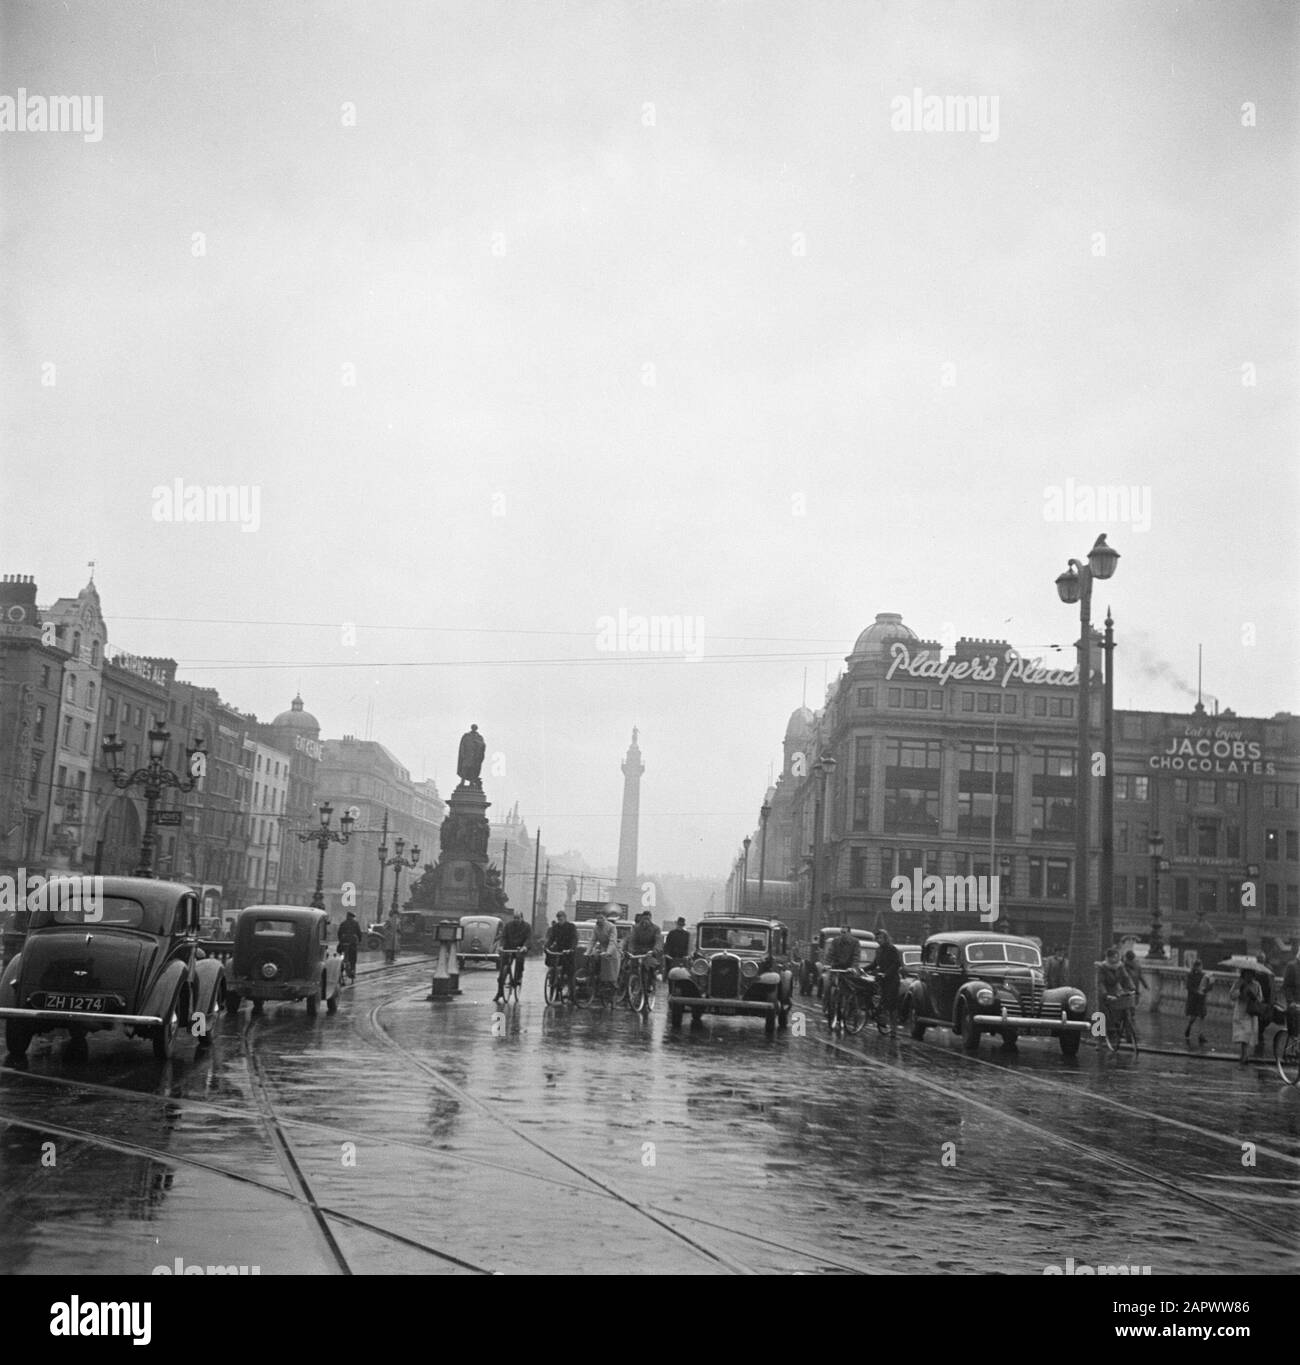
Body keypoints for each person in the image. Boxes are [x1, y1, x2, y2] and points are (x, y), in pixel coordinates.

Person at [824, 927, 861, 1031]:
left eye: (844, 932)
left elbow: (856, 956)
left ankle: (851, 1012)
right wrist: (827, 964)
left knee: (850, 991)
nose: (842, 934)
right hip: (837, 968)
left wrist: (853, 967)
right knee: (828, 986)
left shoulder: (855, 942)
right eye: (841, 932)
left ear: (849, 933)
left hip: (848, 969)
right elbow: (830, 953)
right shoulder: (836, 941)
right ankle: (828, 1007)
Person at [1096, 946, 1135, 1040]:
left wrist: (1132, 987)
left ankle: (1125, 1030)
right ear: (1108, 957)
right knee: (1102, 1013)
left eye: (1117, 957)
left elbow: (1126, 977)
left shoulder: (1120, 966)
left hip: (1117, 990)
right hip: (1105, 991)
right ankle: (1098, 1039)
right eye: (1113, 957)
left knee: (1124, 1008)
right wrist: (1105, 994)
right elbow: (1100, 982)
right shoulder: (1102, 967)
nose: (1115, 959)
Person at [1229, 968, 1263, 1065]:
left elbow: (1260, 998)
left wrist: (1254, 997)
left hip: (1251, 1012)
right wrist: (1239, 991)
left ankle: (1244, 1055)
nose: (1249, 976)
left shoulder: (1256, 985)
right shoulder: (1239, 983)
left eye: (1251, 974)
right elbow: (1232, 996)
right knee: (1243, 1034)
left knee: (1248, 1033)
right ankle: (1244, 1055)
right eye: (1247, 974)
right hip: (1241, 1011)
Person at [496, 909, 532, 1001]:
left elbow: (528, 938)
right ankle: (500, 990)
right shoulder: (508, 926)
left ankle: (518, 977)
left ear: (522, 918)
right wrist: (501, 946)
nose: (516, 920)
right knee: (503, 966)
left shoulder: (527, 926)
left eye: (518, 918)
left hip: (520, 948)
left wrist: (524, 947)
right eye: (515, 918)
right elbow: (503, 936)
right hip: (509, 947)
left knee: (520, 960)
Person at [873, 929, 903, 1039]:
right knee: (881, 1003)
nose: (879, 940)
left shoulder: (892, 949)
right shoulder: (879, 950)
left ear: (886, 938)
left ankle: (894, 1030)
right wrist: (862, 969)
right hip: (882, 980)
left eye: (881, 938)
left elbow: (896, 964)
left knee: (892, 1006)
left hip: (892, 981)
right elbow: (874, 963)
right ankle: (883, 1023)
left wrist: (886, 974)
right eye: (877, 938)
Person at [543, 911, 578, 997]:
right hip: (559, 950)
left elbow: (574, 939)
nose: (560, 920)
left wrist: (571, 949)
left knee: (570, 973)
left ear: (565, 918)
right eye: (558, 919)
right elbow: (552, 938)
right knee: (554, 967)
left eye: (561, 918)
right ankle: (555, 984)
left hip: (569, 951)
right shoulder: (555, 927)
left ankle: (572, 994)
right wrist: (546, 946)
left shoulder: (571, 927)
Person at [1183, 957, 1210, 1047]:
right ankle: (1189, 1028)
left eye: (1200, 966)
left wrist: (1209, 985)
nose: (1199, 968)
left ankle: (1200, 1035)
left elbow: (1207, 986)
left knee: (1202, 1016)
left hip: (1201, 998)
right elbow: (1188, 986)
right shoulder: (1190, 975)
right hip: (1194, 999)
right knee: (1193, 1017)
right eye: (1197, 966)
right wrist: (1196, 991)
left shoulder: (1204, 975)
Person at [337, 911, 362, 981]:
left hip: (344, 942)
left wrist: (340, 941)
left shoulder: (343, 923)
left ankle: (341, 968)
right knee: (353, 958)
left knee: (341, 954)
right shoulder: (355, 923)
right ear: (352, 917)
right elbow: (359, 933)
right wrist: (359, 940)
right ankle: (352, 970)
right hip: (352, 943)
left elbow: (339, 933)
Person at [1283, 944, 1300, 1039]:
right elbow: (1287, 986)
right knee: (1295, 1031)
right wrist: (1291, 1001)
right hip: (1295, 1004)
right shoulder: (1292, 966)